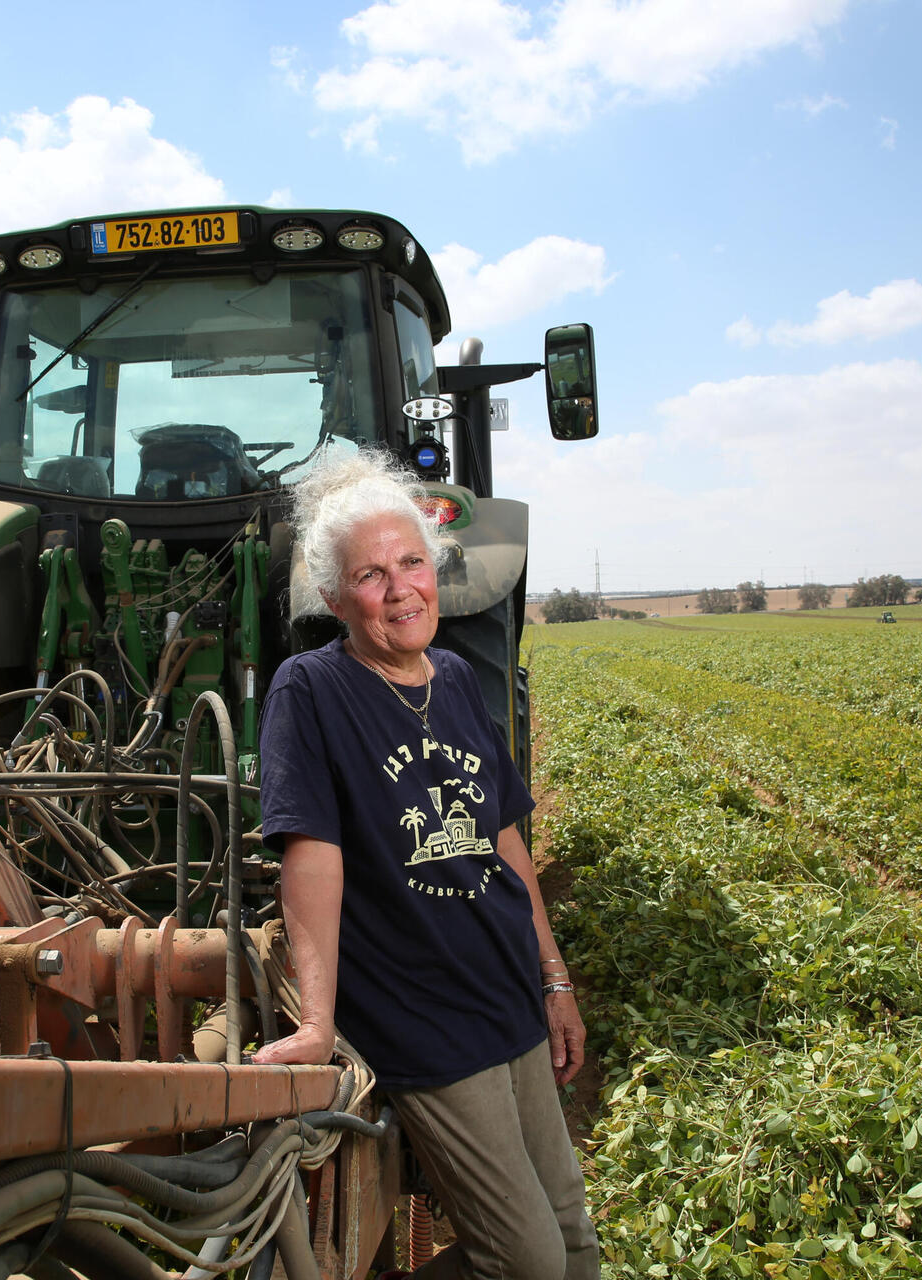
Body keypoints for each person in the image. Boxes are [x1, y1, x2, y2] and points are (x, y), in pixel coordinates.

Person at [253, 450, 597, 1280]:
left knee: (574, 1246)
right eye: (371, 576)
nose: (401, 587)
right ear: (335, 600)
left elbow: (505, 841)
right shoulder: (311, 689)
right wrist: (317, 1023)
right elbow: (312, 856)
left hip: (508, 991)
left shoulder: (453, 677)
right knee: (526, 1264)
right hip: (426, 1012)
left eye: (412, 562)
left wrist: (553, 980)